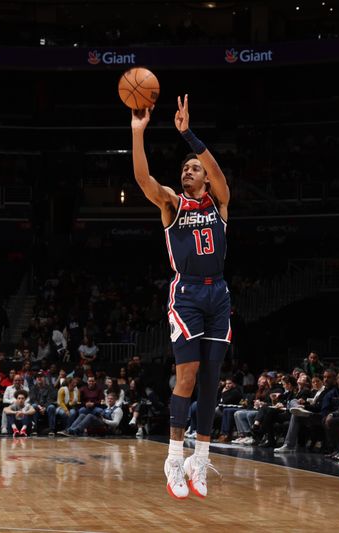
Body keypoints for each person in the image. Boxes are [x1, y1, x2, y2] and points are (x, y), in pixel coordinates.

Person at [131, 94, 231, 499]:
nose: (189, 172)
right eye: (185, 169)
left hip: (219, 295)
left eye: (195, 169)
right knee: (187, 375)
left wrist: (187, 133)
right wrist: (138, 132)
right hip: (186, 294)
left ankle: (199, 458)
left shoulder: (220, 200)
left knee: (211, 382)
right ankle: (174, 457)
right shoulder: (172, 203)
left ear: (204, 177)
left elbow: (219, 173)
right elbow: (143, 180)